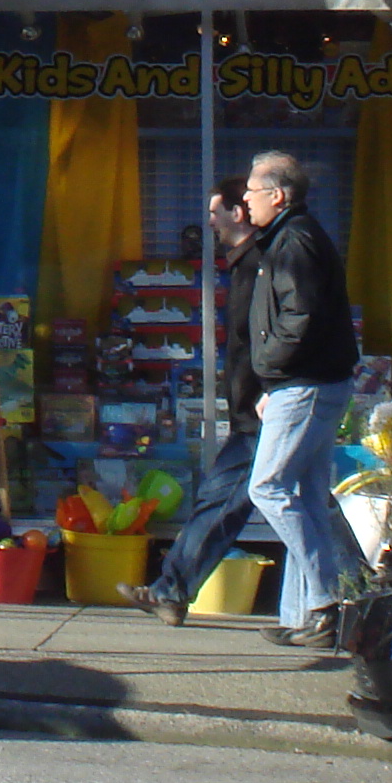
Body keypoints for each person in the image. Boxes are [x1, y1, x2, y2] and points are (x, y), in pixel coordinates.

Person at [239, 148, 361, 649]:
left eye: (251, 191)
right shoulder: (288, 238)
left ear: (278, 195)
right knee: (306, 497)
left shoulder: (296, 241)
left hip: (306, 384)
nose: (244, 200)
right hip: (307, 383)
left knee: (267, 488)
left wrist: (271, 372)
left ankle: (327, 601)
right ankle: (302, 616)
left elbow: (300, 317)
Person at [126, 176, 256, 626]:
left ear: (239, 213)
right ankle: (171, 590)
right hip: (255, 410)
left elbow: (279, 336)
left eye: (216, 211)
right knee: (296, 504)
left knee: (236, 499)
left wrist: (271, 390)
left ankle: (361, 595)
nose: (209, 221)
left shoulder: (264, 264)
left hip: (269, 409)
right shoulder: (242, 265)